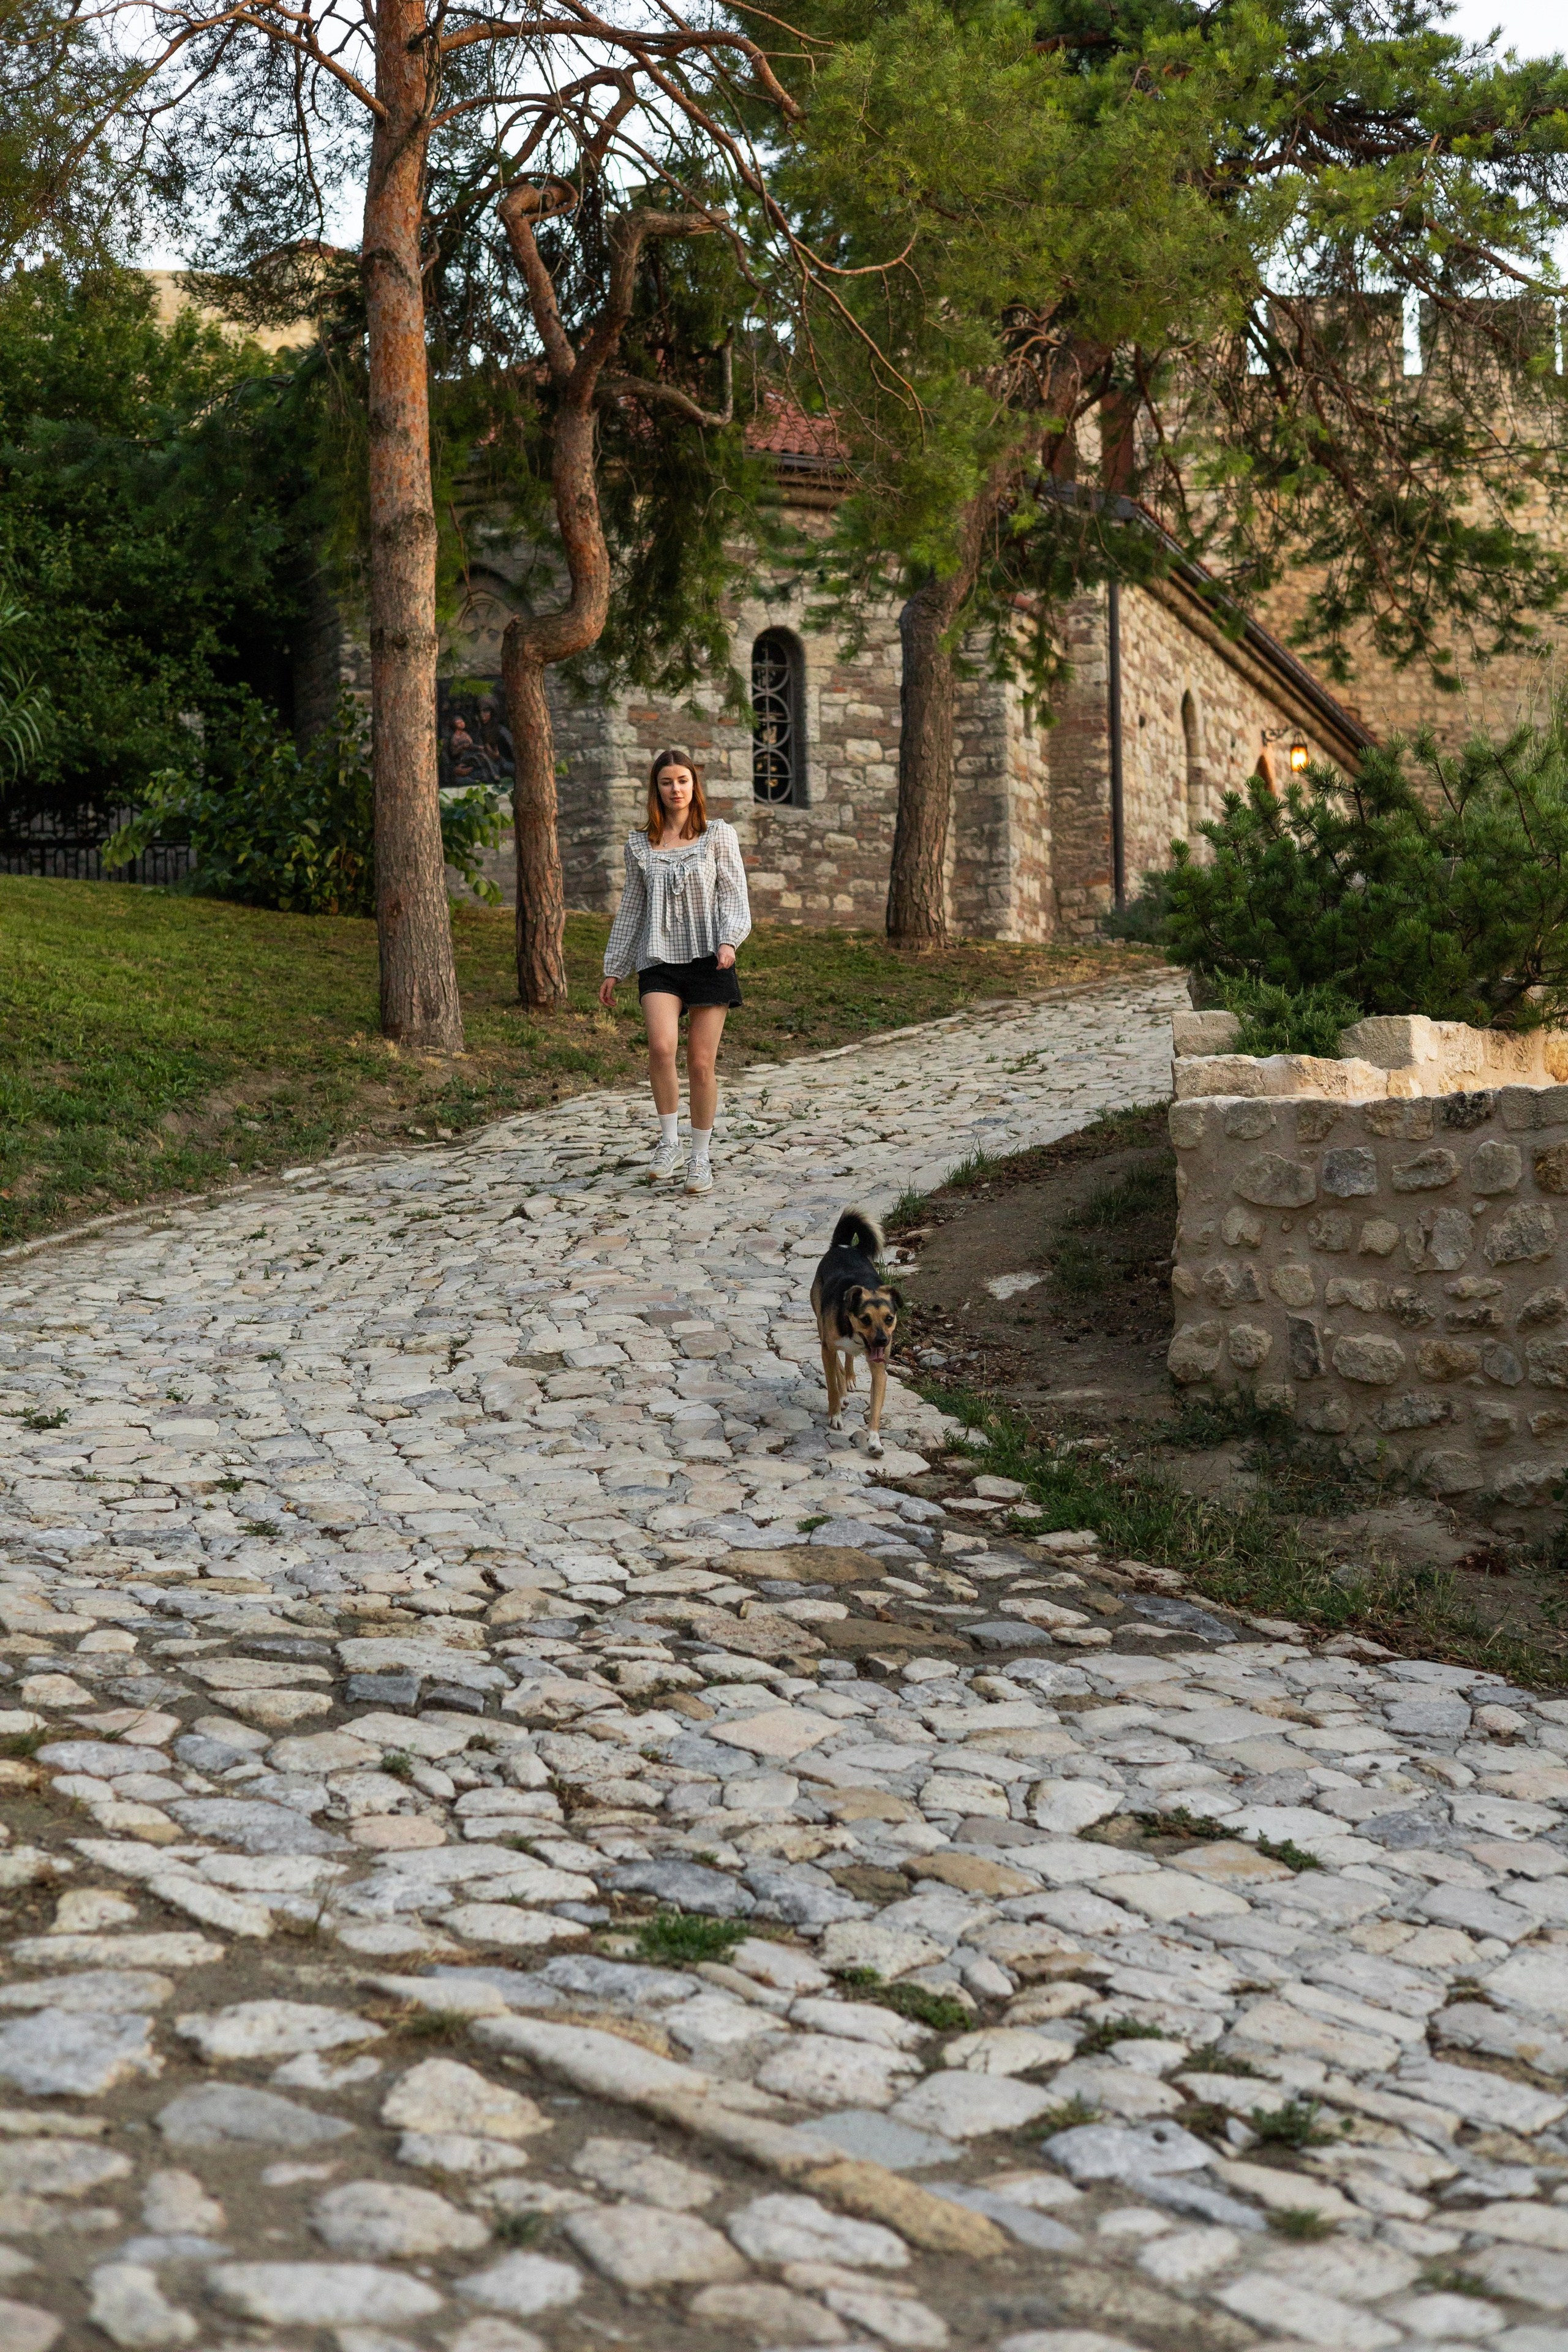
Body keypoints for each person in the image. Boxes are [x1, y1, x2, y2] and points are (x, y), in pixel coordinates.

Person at [598, 747, 751, 1194]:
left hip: (709, 959)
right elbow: (632, 908)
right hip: (658, 960)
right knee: (661, 1047)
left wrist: (729, 940)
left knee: (701, 1063)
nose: (675, 789)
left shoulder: (718, 835)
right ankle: (669, 1143)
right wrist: (615, 967)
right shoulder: (639, 845)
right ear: (657, 789)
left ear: (693, 785)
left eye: (683, 780)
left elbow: (734, 894)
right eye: (667, 782)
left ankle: (700, 1156)